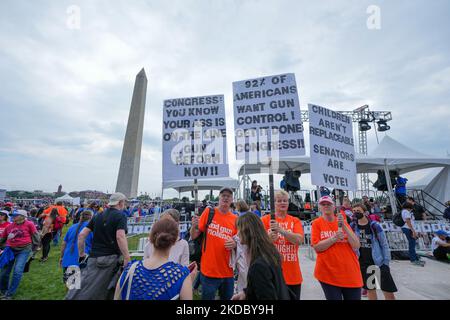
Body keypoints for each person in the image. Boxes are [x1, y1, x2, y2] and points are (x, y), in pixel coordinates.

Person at [65, 192, 131, 300]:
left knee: (86, 285)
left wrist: (81, 254)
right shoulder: (121, 216)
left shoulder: (97, 215)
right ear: (120, 203)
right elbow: (120, 237)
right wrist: (127, 257)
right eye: (124, 202)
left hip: (93, 257)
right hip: (110, 258)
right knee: (101, 290)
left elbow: (81, 235)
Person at [114, 218, 195, 300]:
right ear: (174, 241)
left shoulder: (130, 269)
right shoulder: (181, 274)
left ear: (151, 238)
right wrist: (189, 280)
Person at [190, 187, 237, 300]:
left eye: (228, 196)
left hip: (228, 272)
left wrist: (235, 243)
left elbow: (239, 241)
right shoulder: (209, 212)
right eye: (223, 195)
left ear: (232, 199)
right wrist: (193, 226)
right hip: (209, 270)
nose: (226, 198)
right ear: (219, 198)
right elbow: (194, 235)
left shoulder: (236, 219)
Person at [311, 196, 362, 300]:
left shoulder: (342, 222)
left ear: (334, 207)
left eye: (328, 204)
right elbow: (317, 247)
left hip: (350, 273)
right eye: (323, 204)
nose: (326, 206)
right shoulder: (316, 223)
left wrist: (343, 225)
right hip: (328, 273)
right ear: (319, 207)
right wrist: (333, 238)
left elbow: (356, 245)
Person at [232, 213, 292, 300]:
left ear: (247, 232)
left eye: (239, 229)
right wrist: (246, 293)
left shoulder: (258, 266)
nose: (237, 234)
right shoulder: (269, 252)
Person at [261, 190, 304, 300]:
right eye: (279, 201)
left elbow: (299, 240)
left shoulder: (295, 221)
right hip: (271, 274)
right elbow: (258, 244)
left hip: (293, 275)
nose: (282, 203)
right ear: (273, 203)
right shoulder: (265, 220)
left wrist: (281, 230)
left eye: (285, 201)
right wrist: (268, 239)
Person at [351, 204, 397, 300]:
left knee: (387, 290)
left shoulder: (375, 226)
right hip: (364, 263)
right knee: (370, 290)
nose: (356, 213)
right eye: (354, 211)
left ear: (365, 212)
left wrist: (386, 263)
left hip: (378, 262)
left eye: (358, 210)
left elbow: (384, 245)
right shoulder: (353, 226)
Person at [0, 210, 40, 300]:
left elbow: (35, 236)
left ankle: (9, 294)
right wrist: (3, 247)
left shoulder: (29, 224)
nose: (13, 217)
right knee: (4, 272)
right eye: (13, 215)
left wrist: (35, 248)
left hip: (24, 249)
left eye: (15, 215)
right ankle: (4, 290)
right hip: (10, 250)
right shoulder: (9, 226)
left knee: (17, 271)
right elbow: (2, 238)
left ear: (22, 216)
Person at [60, 210, 94, 284]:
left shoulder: (72, 227)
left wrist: (62, 257)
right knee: (80, 288)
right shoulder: (91, 228)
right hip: (82, 261)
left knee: (70, 286)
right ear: (91, 218)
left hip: (68, 259)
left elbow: (64, 243)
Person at [401, 202, 425, 266]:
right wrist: (413, 231)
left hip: (408, 228)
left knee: (412, 243)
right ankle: (413, 259)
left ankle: (415, 258)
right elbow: (408, 222)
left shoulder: (405, 211)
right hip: (408, 229)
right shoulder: (406, 212)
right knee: (412, 244)